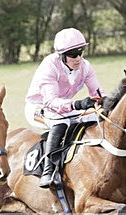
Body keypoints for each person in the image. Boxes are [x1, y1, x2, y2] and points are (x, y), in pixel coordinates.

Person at [25, 28, 107, 188]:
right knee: (59, 121)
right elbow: (50, 102)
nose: (78, 58)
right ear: (61, 55)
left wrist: (108, 102)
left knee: (95, 117)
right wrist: (78, 104)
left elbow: (98, 93)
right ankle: (48, 171)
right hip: (38, 107)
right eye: (73, 54)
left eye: (81, 52)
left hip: (64, 107)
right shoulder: (49, 66)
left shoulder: (86, 67)